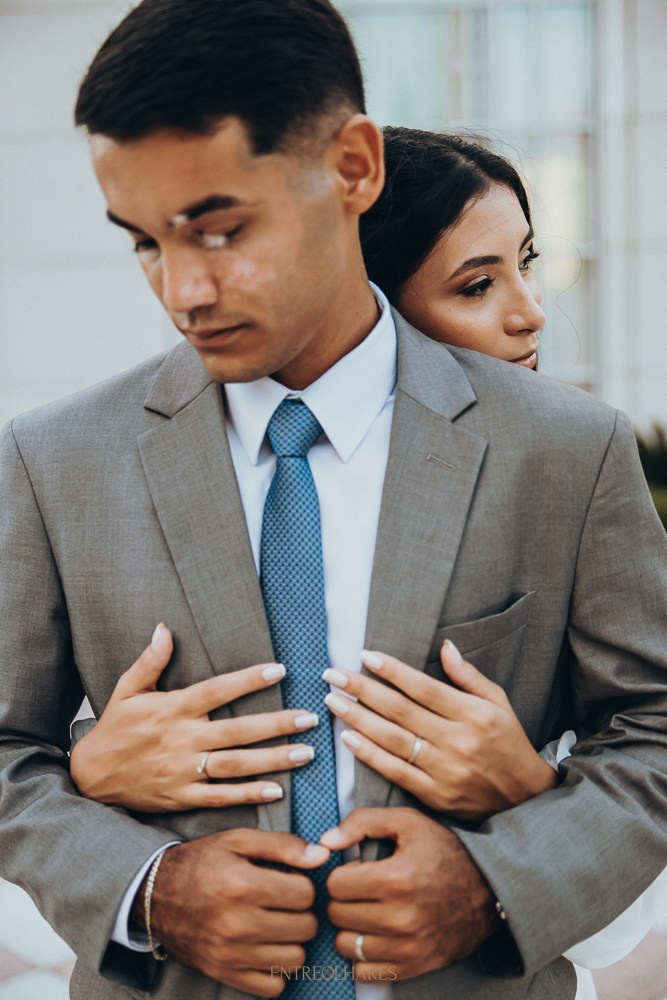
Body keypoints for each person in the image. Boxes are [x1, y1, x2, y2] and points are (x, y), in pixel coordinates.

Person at [0, 2, 666, 999]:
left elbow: (652, 730)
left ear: (353, 167)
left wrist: (497, 884)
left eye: (219, 231)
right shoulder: (55, 460)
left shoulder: (566, 449)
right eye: (144, 241)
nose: (182, 289)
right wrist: (145, 886)